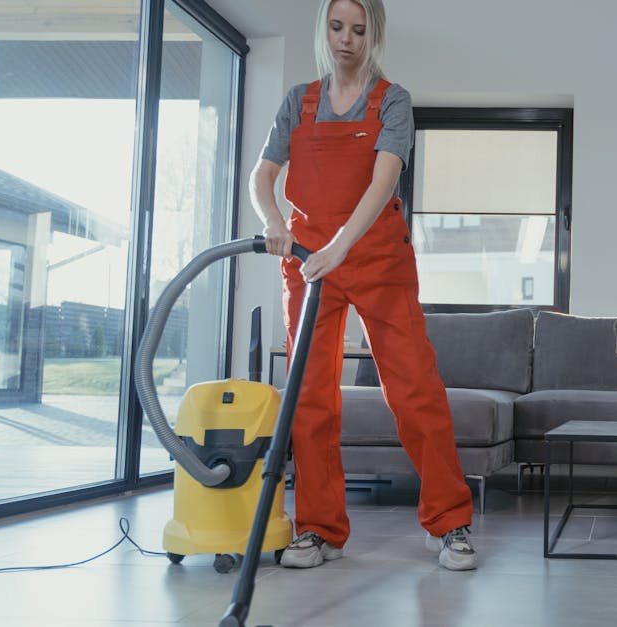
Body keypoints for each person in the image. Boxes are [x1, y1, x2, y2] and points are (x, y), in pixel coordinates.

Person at [249, 0, 476, 570]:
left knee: (414, 389)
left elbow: (383, 180)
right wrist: (274, 221)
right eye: (337, 27)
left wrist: (339, 248)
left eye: (359, 29)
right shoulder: (299, 102)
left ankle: (450, 522)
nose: (347, 39)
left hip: (375, 257)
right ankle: (319, 529)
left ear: (374, 36)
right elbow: (262, 174)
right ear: (323, 30)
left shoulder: (392, 100)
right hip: (308, 261)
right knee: (309, 396)